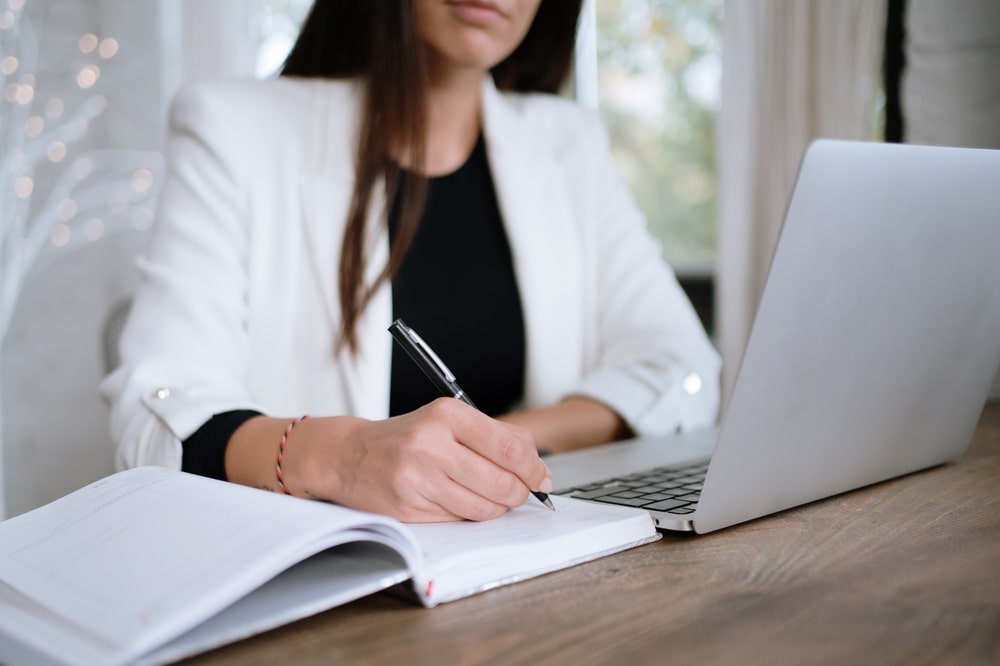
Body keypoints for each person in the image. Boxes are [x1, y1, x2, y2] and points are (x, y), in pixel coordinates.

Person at [101, 0, 720, 524]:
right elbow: (157, 409)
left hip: (518, 547)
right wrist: (345, 456)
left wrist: (496, 446)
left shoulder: (567, 142)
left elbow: (682, 367)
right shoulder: (234, 129)